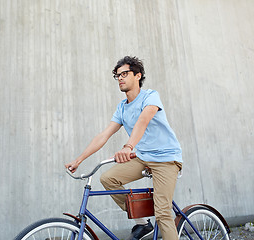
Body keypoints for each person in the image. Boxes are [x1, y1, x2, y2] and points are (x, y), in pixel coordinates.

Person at [65, 56, 183, 240]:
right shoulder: (122, 108)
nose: (120, 78)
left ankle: (160, 215)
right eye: (117, 75)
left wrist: (128, 146)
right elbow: (103, 135)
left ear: (138, 75)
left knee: (162, 213)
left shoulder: (150, 96)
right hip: (143, 157)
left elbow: (144, 119)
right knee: (108, 179)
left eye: (124, 74)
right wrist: (79, 160)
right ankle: (143, 225)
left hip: (166, 159)